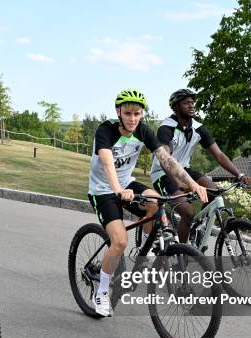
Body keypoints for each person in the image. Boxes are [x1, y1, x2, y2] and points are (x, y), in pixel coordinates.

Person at [88, 89, 208, 317]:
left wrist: (193, 184)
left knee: (155, 201)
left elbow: (167, 160)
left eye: (137, 113)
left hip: (126, 184)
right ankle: (102, 292)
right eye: (128, 113)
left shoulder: (142, 130)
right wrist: (117, 190)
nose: (133, 118)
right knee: (119, 241)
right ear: (119, 112)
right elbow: (107, 162)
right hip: (103, 190)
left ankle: (143, 250)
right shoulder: (106, 130)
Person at [150, 89, 251, 243]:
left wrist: (240, 175)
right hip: (163, 174)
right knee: (188, 212)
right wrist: (178, 183)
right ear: (176, 107)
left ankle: (197, 227)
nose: (191, 106)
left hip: (185, 170)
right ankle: (181, 254)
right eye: (186, 103)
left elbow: (219, 155)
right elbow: (165, 160)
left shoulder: (198, 128)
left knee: (213, 192)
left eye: (192, 102)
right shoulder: (166, 128)